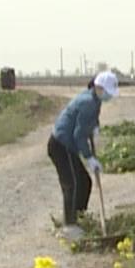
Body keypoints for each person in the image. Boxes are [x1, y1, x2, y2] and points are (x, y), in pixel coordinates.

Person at [47, 70, 118, 232]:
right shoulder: (88, 102)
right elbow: (79, 136)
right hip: (61, 145)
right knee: (72, 184)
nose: (109, 96)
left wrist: (95, 127)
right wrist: (90, 158)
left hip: (67, 145)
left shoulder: (94, 98)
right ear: (99, 88)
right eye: (108, 92)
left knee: (85, 182)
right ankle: (70, 226)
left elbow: (91, 119)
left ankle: (79, 220)